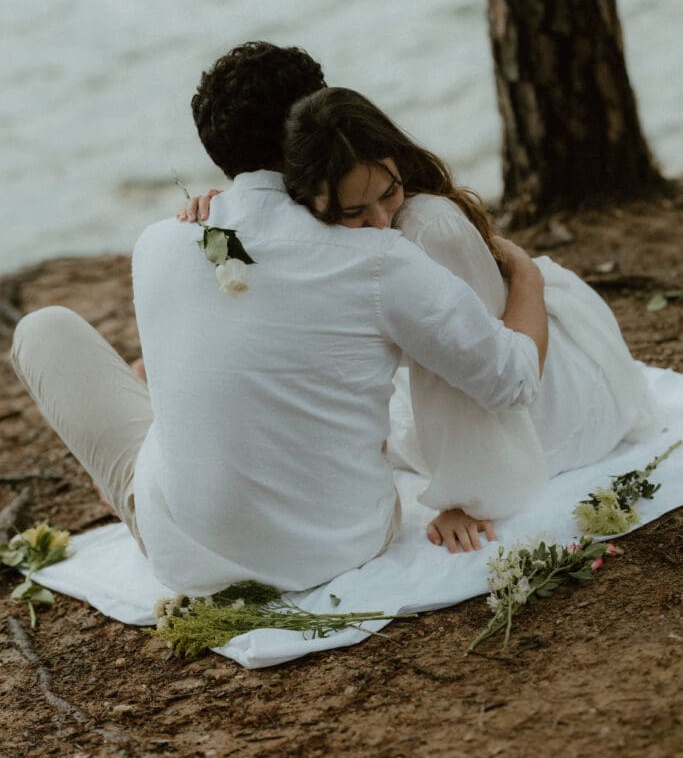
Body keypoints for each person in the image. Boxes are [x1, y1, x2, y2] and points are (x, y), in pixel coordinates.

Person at [11, 43, 549, 595]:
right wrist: (528, 277)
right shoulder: (379, 255)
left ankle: (138, 474)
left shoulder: (159, 244)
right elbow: (512, 379)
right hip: (345, 544)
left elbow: (249, 255)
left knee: (43, 330)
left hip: (187, 560)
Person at [277, 85, 660, 548]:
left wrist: (465, 495)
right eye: (354, 211)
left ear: (399, 164)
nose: (380, 220)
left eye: (389, 192)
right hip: (493, 361)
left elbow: (490, 373)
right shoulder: (311, 225)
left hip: (538, 385)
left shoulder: (428, 227)